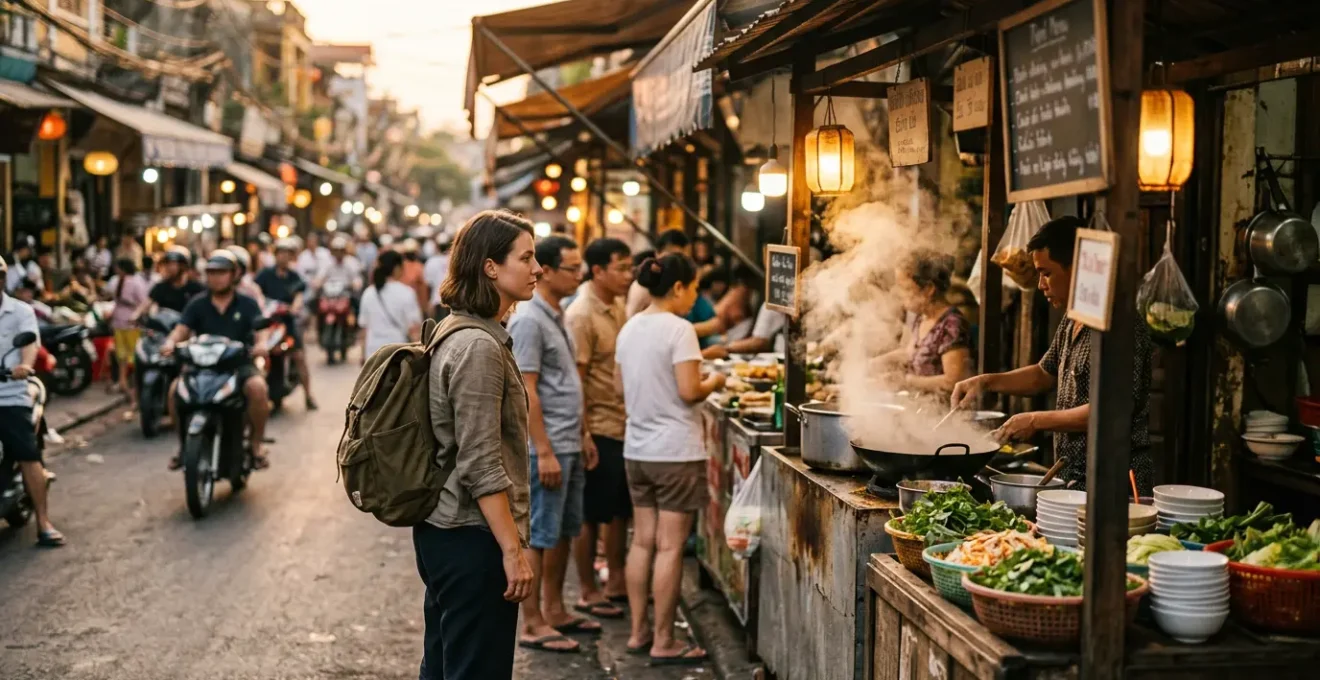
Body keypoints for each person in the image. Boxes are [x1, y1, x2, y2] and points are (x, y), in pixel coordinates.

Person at [416, 210, 540, 680]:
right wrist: (512, 551)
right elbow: (480, 462)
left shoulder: (458, 330)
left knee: (445, 665)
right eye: (525, 257)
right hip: (471, 537)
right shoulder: (479, 347)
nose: (536, 268)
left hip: (449, 533)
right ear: (491, 267)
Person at [951, 216, 1154, 492]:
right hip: (1071, 475)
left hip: (1114, 484)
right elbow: (1043, 374)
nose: (1040, 285)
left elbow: (1111, 411)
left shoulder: (1121, 326)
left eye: (1046, 273)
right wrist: (985, 381)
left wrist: (1035, 420)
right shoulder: (1074, 317)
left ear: (1079, 269)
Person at [615, 253, 724, 665]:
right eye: (694, 289)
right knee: (670, 548)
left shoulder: (630, 328)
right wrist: (716, 379)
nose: (694, 298)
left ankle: (638, 631)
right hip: (675, 452)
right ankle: (664, 640)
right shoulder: (680, 331)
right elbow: (689, 391)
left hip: (637, 451)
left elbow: (617, 385)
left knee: (642, 541)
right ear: (678, 288)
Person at [507, 235, 602, 653]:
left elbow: (565, 383)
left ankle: (555, 609)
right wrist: (542, 449)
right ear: (546, 270)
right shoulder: (529, 319)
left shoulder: (554, 313)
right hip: (546, 446)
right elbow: (527, 389)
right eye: (573, 268)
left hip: (567, 439)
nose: (579, 275)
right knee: (540, 535)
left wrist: (582, 433)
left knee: (563, 530)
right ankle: (532, 623)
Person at [565, 237, 633, 619]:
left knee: (619, 509)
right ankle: (588, 589)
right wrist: (584, 433)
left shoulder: (617, 304)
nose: (628, 275)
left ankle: (617, 580)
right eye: (621, 268)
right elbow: (578, 381)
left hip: (623, 423)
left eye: (629, 267)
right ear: (598, 271)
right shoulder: (581, 315)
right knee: (591, 513)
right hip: (599, 425)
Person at [161, 251, 272, 470]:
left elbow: (262, 330)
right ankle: (184, 447)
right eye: (211, 273)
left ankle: (256, 445)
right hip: (202, 367)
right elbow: (181, 329)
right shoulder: (197, 304)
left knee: (258, 388)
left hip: (238, 365)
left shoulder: (247, 303)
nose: (216, 278)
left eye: (221, 273)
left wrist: (261, 344)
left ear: (234, 275)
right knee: (175, 391)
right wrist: (169, 343)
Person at [0, 259, 64, 546]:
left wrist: (24, 366)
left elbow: (30, 345)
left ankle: (43, 521)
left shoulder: (20, 311)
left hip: (9, 394)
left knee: (26, 453)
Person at [875, 251, 972, 394]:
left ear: (928, 290)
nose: (899, 294)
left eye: (906, 288)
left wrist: (907, 381)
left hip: (943, 413)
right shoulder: (922, 318)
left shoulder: (952, 324)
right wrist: (879, 362)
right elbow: (914, 353)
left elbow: (953, 381)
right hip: (919, 408)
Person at [254, 238, 317, 410]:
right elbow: (256, 290)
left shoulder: (294, 276)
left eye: (287, 254)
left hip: (287, 324)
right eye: (281, 253)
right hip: (268, 324)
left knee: (299, 357)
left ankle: (308, 396)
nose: (284, 257)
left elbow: (298, 296)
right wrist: (261, 302)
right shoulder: (265, 274)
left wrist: (294, 307)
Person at [357, 250, 422, 358]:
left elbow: (364, 329)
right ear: (396, 268)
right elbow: (414, 328)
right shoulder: (406, 292)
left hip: (373, 354)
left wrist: (363, 355)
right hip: (398, 353)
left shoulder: (368, 293)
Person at [108, 258, 149, 416]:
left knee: (132, 355)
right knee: (121, 354)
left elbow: (143, 301)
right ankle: (123, 382)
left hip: (131, 322)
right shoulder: (116, 281)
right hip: (119, 321)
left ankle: (133, 387)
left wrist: (137, 314)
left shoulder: (136, 282)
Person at [424, 233, 451, 320]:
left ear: (437, 247)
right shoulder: (454, 259)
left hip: (437, 301)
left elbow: (428, 285)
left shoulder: (431, 262)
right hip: (453, 301)